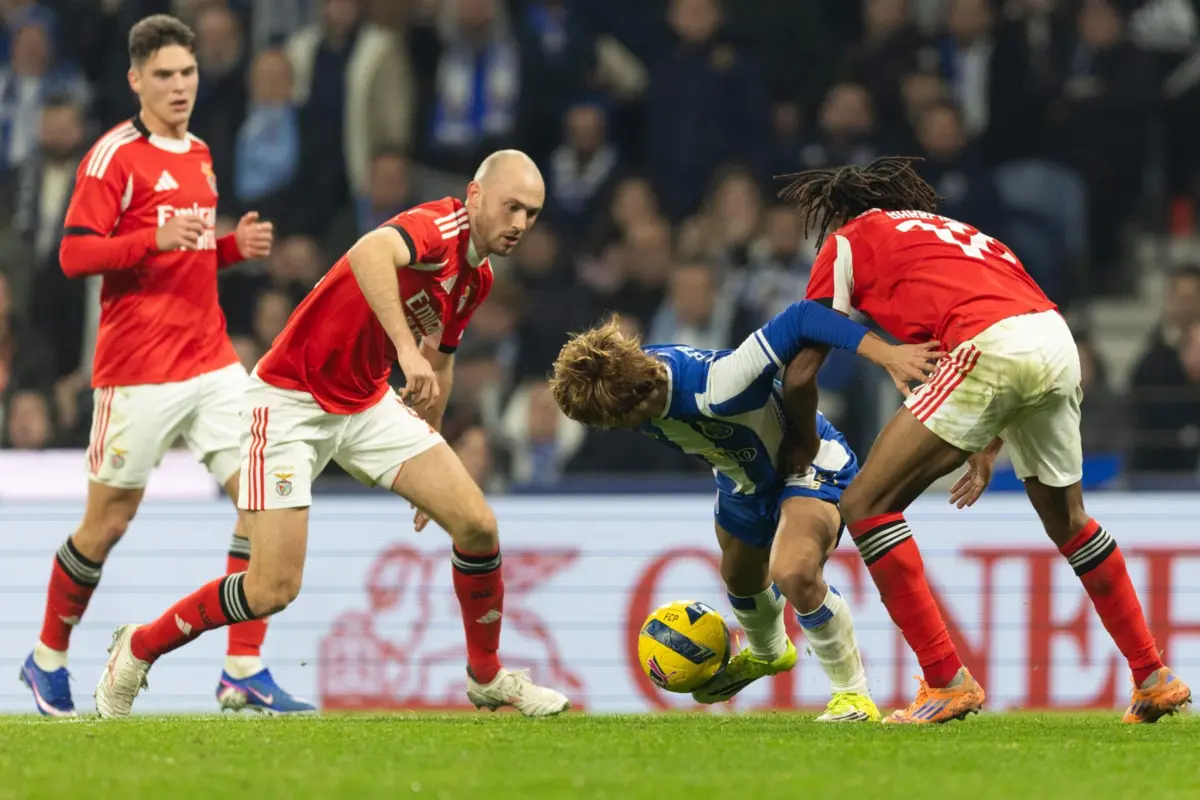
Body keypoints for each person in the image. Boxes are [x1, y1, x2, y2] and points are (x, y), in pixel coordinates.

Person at [94, 150, 572, 719]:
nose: (519, 223)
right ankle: (139, 647)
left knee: (476, 524)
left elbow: (439, 364)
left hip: (366, 401)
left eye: (532, 214)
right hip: (289, 398)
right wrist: (401, 347)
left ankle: (487, 677)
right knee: (272, 588)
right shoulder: (439, 226)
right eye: (511, 206)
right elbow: (369, 250)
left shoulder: (478, 279)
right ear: (474, 196)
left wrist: (433, 446)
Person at [776, 156, 1193, 724]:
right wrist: (987, 438)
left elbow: (802, 370)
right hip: (1054, 339)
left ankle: (945, 678)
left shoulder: (848, 241)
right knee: (1069, 521)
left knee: (865, 504)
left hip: (990, 349)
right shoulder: (965, 236)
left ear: (839, 213)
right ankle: (1153, 675)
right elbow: (1005, 326)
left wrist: (796, 448)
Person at [19, 15, 313, 717]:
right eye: (164, 75)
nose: (179, 86)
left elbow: (189, 251)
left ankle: (243, 666)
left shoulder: (202, 153)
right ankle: (47, 656)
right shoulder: (111, 157)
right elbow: (74, 254)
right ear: (135, 80)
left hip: (211, 361)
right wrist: (151, 237)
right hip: (136, 371)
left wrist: (231, 247)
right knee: (107, 525)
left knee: (264, 495)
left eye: (187, 73)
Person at [549, 300, 944, 721]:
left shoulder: (720, 384)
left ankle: (852, 695)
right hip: (743, 478)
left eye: (615, 420)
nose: (615, 429)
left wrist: (887, 354)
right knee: (739, 575)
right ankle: (769, 652)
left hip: (807, 463)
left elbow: (803, 319)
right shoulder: (632, 378)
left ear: (640, 395)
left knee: (793, 570)